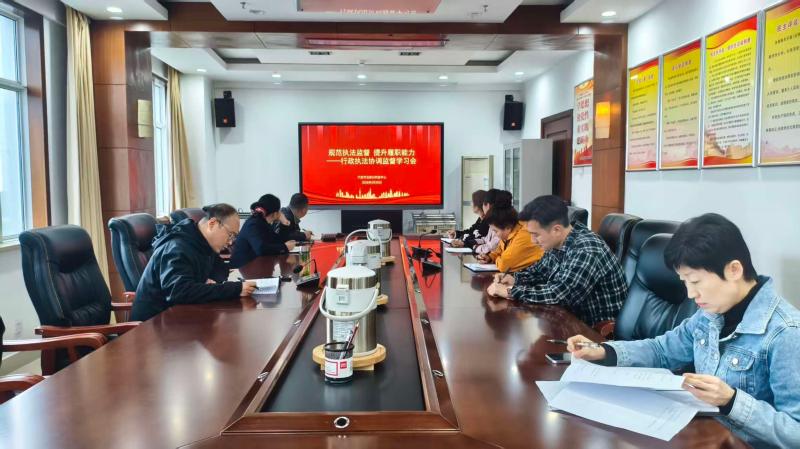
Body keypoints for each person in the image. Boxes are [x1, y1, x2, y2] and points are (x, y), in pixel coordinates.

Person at [567, 213, 800, 449]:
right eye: (685, 282)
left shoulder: (787, 333)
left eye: (695, 282)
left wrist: (731, 401)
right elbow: (662, 350)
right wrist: (605, 351)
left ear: (734, 270)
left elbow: (795, 432)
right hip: (703, 436)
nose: (690, 294)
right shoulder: (710, 314)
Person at [487, 195, 626, 327]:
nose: (533, 241)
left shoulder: (586, 249)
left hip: (593, 332)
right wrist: (514, 278)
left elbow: (559, 295)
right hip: (567, 321)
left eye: (536, 235)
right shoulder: (558, 242)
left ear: (556, 230)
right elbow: (539, 272)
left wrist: (510, 291)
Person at [131, 203, 256, 321]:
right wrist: (234, 289)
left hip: (179, 318)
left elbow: (220, 272)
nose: (231, 242)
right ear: (212, 224)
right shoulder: (177, 247)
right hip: (154, 324)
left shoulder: (201, 243)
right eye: (230, 234)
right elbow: (179, 292)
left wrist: (210, 282)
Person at [476, 199, 543, 273]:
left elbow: (504, 265)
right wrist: (489, 257)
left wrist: (498, 259)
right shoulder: (509, 234)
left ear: (507, 227)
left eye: (496, 231)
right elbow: (499, 251)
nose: (495, 235)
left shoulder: (524, 235)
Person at [231, 194, 296, 268]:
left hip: (255, 266)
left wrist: (285, 222)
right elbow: (260, 249)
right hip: (242, 268)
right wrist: (284, 247)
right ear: (275, 213)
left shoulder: (262, 222)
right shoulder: (253, 224)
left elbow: (278, 241)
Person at [452, 189, 505, 254]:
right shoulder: (491, 220)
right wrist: (465, 242)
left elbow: (491, 246)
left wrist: (474, 247)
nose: (471, 204)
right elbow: (484, 239)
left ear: (488, 205)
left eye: (472, 201)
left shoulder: (496, 222)